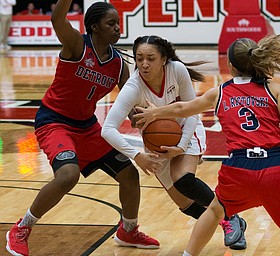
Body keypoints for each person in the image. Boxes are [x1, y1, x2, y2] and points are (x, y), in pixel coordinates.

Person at [134, 34, 280, 256]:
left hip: (239, 170)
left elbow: (183, 109)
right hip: (276, 168)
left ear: (230, 66)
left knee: (214, 212)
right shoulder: (274, 89)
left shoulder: (220, 92)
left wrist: (155, 112)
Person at [5, 1, 160, 256]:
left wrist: (141, 116)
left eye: (118, 23)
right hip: (54, 121)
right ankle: (22, 228)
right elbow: (57, 18)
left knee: (129, 175)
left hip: (87, 127)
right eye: (111, 24)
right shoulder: (77, 45)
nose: (117, 28)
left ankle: (128, 230)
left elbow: (129, 101)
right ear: (94, 27)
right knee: (68, 175)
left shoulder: (119, 64)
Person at [101, 35, 247, 250]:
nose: (144, 64)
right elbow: (107, 129)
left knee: (183, 179)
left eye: (150, 58)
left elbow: (192, 112)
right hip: (158, 142)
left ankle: (230, 216)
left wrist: (181, 145)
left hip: (188, 128)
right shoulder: (133, 87)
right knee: (184, 203)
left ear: (164, 59)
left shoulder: (176, 70)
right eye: (139, 58)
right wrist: (137, 155)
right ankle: (228, 221)